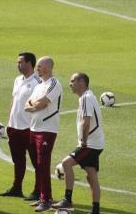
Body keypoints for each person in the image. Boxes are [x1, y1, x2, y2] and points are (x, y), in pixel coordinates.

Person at [52, 73, 104, 214]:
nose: (70, 83)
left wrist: (83, 142)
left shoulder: (86, 98)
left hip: (90, 144)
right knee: (91, 175)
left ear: (82, 82)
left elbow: (86, 121)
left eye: (72, 81)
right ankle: (95, 209)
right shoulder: (87, 97)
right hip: (96, 143)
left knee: (66, 163)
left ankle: (67, 200)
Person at [24, 56, 63, 212]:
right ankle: (44, 196)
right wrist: (35, 105)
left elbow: (42, 103)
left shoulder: (54, 84)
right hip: (34, 128)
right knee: (38, 165)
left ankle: (45, 200)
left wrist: (35, 105)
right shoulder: (39, 85)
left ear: (48, 67)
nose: (37, 68)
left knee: (43, 164)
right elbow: (27, 105)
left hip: (47, 129)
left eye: (39, 66)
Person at [0, 52, 40, 199]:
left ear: (29, 63)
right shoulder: (18, 80)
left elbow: (39, 104)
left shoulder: (37, 82)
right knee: (18, 160)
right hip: (14, 127)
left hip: (29, 128)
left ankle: (38, 190)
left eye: (20, 62)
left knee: (37, 161)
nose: (18, 65)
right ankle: (17, 188)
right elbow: (14, 100)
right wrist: (9, 121)